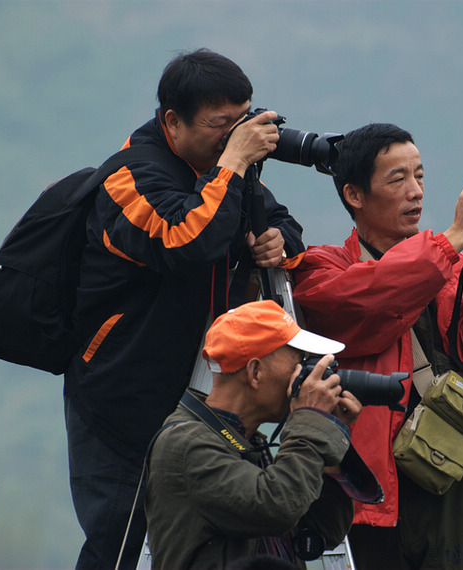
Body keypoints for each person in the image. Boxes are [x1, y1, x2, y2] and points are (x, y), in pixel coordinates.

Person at [63, 49, 305, 569]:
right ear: (172, 121)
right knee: (118, 542)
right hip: (123, 397)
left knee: (212, 544)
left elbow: (285, 224)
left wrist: (276, 242)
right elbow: (185, 240)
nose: (232, 137)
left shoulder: (219, 171)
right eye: (222, 126)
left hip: (206, 393)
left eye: (239, 123)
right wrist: (235, 162)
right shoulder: (128, 178)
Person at [292, 123, 463, 569]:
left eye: (420, 176)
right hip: (373, 487)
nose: (415, 192)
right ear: (354, 195)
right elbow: (367, 307)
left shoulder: (448, 265)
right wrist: (454, 239)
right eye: (398, 179)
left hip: (459, 477)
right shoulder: (322, 269)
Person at [144, 300, 383, 570]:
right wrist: (310, 422)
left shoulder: (247, 441)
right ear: (254, 372)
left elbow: (323, 531)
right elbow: (277, 507)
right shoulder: (187, 444)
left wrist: (328, 431)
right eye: (299, 363)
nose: (304, 377)